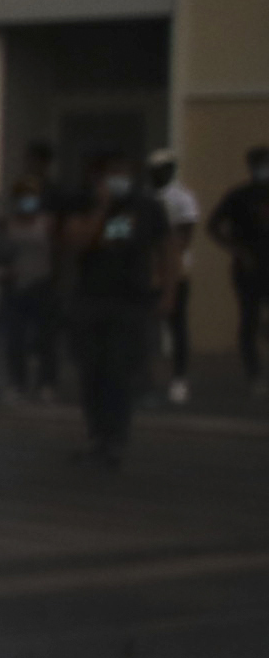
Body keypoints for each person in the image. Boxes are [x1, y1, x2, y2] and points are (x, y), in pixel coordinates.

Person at [64, 154, 170, 470]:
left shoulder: (147, 207)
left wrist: (169, 291)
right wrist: (100, 209)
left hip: (129, 301)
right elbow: (76, 242)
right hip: (91, 300)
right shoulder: (85, 203)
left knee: (118, 371)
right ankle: (97, 436)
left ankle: (115, 441)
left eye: (122, 172)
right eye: (110, 173)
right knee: (91, 372)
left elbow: (167, 249)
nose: (116, 179)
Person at [0, 148, 60, 403]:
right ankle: (17, 383)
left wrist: (57, 279)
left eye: (31, 196)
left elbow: (58, 252)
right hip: (15, 284)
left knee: (45, 338)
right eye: (22, 196)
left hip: (42, 283)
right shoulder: (7, 223)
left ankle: (47, 383)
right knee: (15, 339)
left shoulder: (46, 222)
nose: (26, 201)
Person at [209, 147, 269, 397]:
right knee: (249, 320)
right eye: (259, 164)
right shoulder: (238, 196)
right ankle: (254, 375)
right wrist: (238, 251)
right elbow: (213, 227)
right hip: (249, 269)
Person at [150, 151, 202, 404]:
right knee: (148, 329)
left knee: (177, 326)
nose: (157, 173)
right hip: (147, 272)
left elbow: (185, 235)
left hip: (175, 272)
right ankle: (147, 381)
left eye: (161, 169)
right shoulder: (145, 198)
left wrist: (167, 264)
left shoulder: (183, 197)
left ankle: (179, 379)